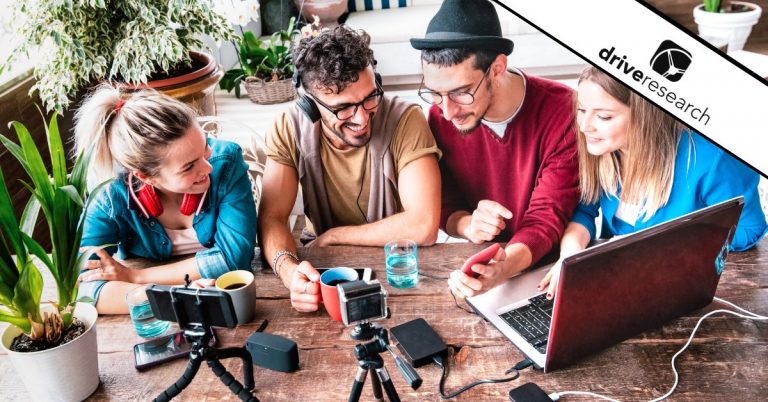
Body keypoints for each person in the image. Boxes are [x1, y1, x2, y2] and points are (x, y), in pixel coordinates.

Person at [539, 66, 768, 299]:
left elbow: (750, 230)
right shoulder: (603, 150)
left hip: (683, 288)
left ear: (643, 116)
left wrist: (654, 247)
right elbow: (584, 212)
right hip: (617, 281)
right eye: (581, 110)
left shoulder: (711, 159)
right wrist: (570, 257)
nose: (585, 125)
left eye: (604, 116)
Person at [258, 26, 442, 313]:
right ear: (310, 105)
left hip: (394, 266)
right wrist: (288, 271)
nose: (362, 117)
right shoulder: (289, 125)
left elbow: (424, 225)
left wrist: (334, 236)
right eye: (342, 108)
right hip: (325, 267)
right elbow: (272, 218)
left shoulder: (406, 119)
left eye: (370, 97)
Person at [410, 0, 580, 298]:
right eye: (435, 94)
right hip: (477, 265)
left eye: (461, 92)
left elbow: (546, 219)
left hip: (544, 272)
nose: (447, 111)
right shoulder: (439, 115)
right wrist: (467, 224)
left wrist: (503, 268)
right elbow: (445, 203)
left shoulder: (564, 111)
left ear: (497, 68)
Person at [76, 85, 257, 314]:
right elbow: (83, 286)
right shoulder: (109, 196)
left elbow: (233, 259)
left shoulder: (227, 161)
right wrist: (177, 295)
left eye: (204, 149)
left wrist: (135, 276)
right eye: (189, 166)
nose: (208, 167)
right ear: (146, 177)